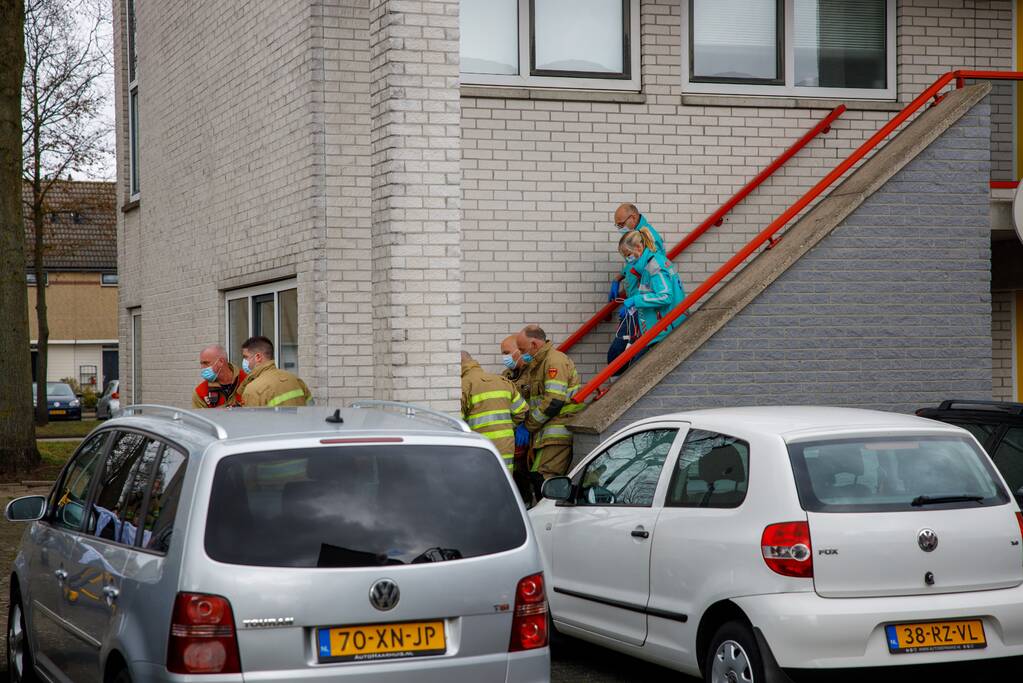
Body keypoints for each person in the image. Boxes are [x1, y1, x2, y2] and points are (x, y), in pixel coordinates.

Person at [516, 325, 585, 499]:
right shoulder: (538, 364)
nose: (521, 353)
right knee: (537, 479)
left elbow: (554, 401)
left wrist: (528, 426)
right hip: (544, 434)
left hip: (557, 434)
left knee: (544, 480)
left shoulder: (554, 362)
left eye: (523, 349)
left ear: (534, 344)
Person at [617, 229, 687, 348]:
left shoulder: (654, 266)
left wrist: (636, 301)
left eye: (628, 255)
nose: (627, 260)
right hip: (662, 330)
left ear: (639, 247)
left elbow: (665, 296)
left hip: (666, 331)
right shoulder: (650, 264)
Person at [460, 351, 528, 473]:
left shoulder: (463, 385)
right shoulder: (503, 381)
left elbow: (456, 422)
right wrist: (505, 426)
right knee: (503, 484)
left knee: (481, 485)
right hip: (505, 446)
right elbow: (522, 412)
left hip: (478, 446)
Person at [500, 335, 534, 502]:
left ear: (518, 351)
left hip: (531, 432)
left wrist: (526, 426)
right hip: (513, 435)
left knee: (525, 474)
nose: (504, 357)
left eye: (506, 352)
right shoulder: (506, 375)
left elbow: (537, 402)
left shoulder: (533, 373)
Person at [609, 203, 666, 301]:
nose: (620, 228)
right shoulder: (635, 235)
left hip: (643, 301)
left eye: (621, 224)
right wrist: (618, 278)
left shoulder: (650, 238)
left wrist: (635, 303)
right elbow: (633, 264)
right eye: (617, 225)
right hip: (637, 299)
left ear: (633, 218)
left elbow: (652, 272)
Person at [237, 336, 312, 407]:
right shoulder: (295, 379)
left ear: (258, 357)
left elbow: (251, 419)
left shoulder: (252, 389)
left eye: (246, 357)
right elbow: (311, 409)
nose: (244, 361)